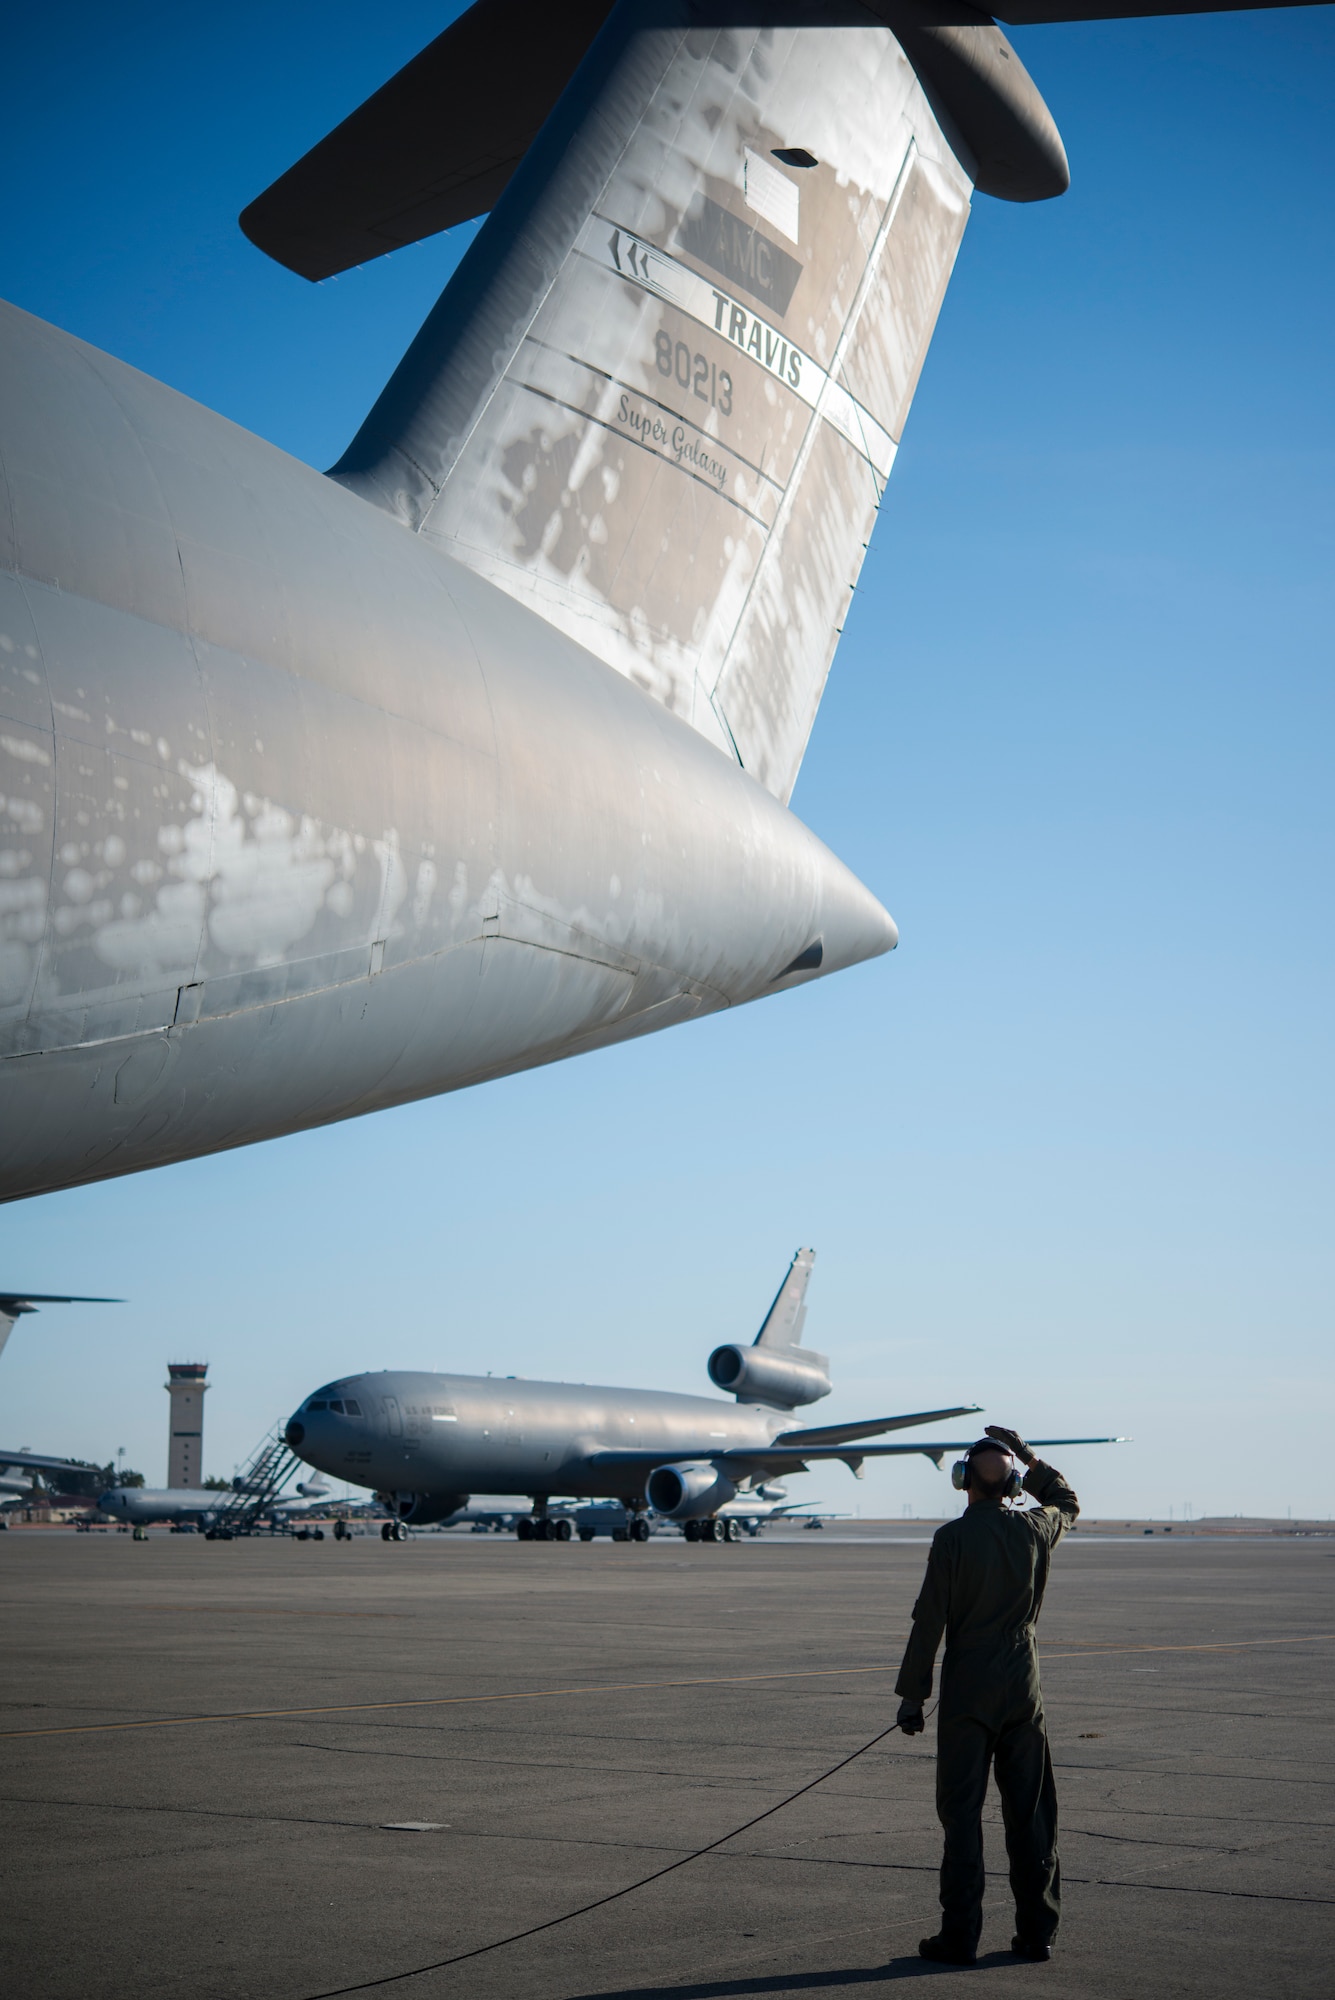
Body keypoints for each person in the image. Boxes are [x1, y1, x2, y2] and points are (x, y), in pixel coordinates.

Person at [894, 1422, 1078, 1966]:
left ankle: (960, 1938)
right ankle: (1038, 1932)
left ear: (962, 1481)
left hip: (969, 1691)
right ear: (1014, 1485)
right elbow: (1066, 1500)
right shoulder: (1035, 1529)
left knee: (962, 1816)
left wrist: (912, 1696)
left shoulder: (950, 1539)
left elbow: (929, 1621)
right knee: (1031, 1814)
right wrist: (1027, 1454)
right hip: (1024, 1687)